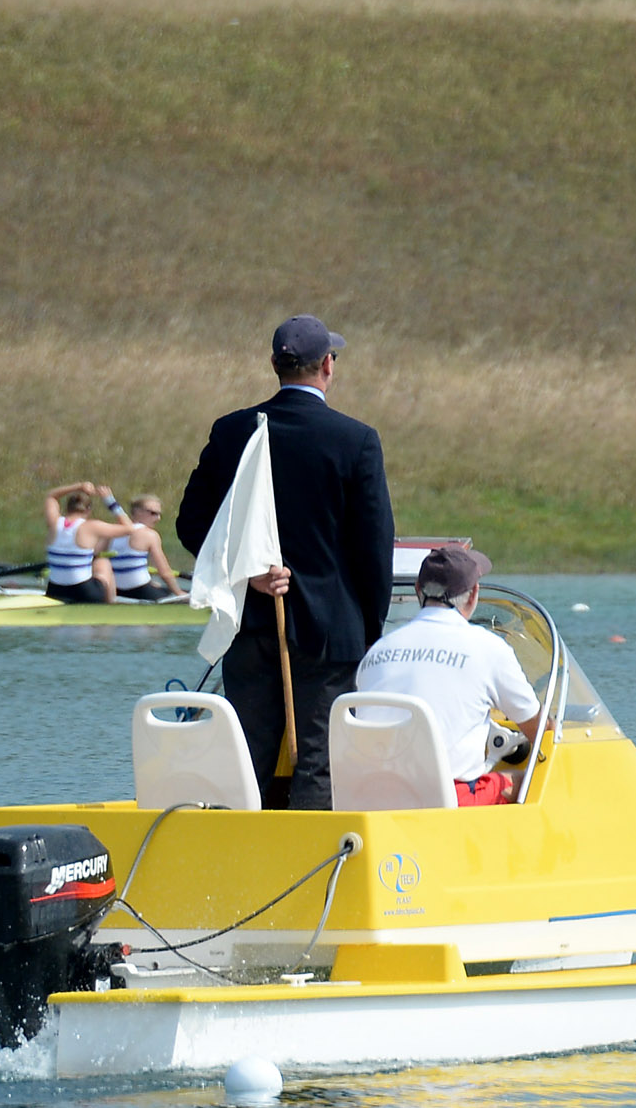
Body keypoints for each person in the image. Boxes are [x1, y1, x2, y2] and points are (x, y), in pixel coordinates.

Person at [178, 316, 396, 811]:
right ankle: (312, 876)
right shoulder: (355, 439)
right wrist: (369, 626)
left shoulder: (232, 430)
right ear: (327, 366)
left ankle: (237, 865)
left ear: (275, 365)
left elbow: (193, 525)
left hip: (251, 626)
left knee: (247, 755)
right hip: (330, 630)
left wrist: (246, 573)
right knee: (319, 758)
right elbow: (374, 545)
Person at [354, 542, 543, 806]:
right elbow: (539, 730)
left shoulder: (376, 651)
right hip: (444, 800)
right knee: (530, 781)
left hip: (373, 798)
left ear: (418, 591)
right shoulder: (488, 648)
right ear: (474, 592)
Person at [42, 481, 132, 603]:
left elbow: (51, 496)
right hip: (85, 592)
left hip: (55, 591)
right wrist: (110, 501)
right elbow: (130, 529)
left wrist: (78, 486)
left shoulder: (54, 522)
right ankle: (110, 607)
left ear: (67, 507)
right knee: (103, 562)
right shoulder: (92, 526)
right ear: (88, 510)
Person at [100, 492, 184, 601]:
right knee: (167, 593)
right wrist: (179, 593)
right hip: (140, 589)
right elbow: (164, 571)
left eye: (159, 514)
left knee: (156, 585)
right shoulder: (150, 535)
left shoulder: (110, 532)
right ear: (137, 512)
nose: (158, 518)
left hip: (115, 590)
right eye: (153, 513)